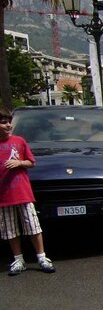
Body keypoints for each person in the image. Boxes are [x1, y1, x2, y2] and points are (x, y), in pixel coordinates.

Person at [0, 107, 55, 276]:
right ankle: (18, 260)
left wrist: (19, 163)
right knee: (10, 229)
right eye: (4, 122)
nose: (8, 125)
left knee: (33, 226)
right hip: (3, 196)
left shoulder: (19, 141)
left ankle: (42, 257)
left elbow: (32, 162)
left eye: (9, 122)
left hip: (23, 194)